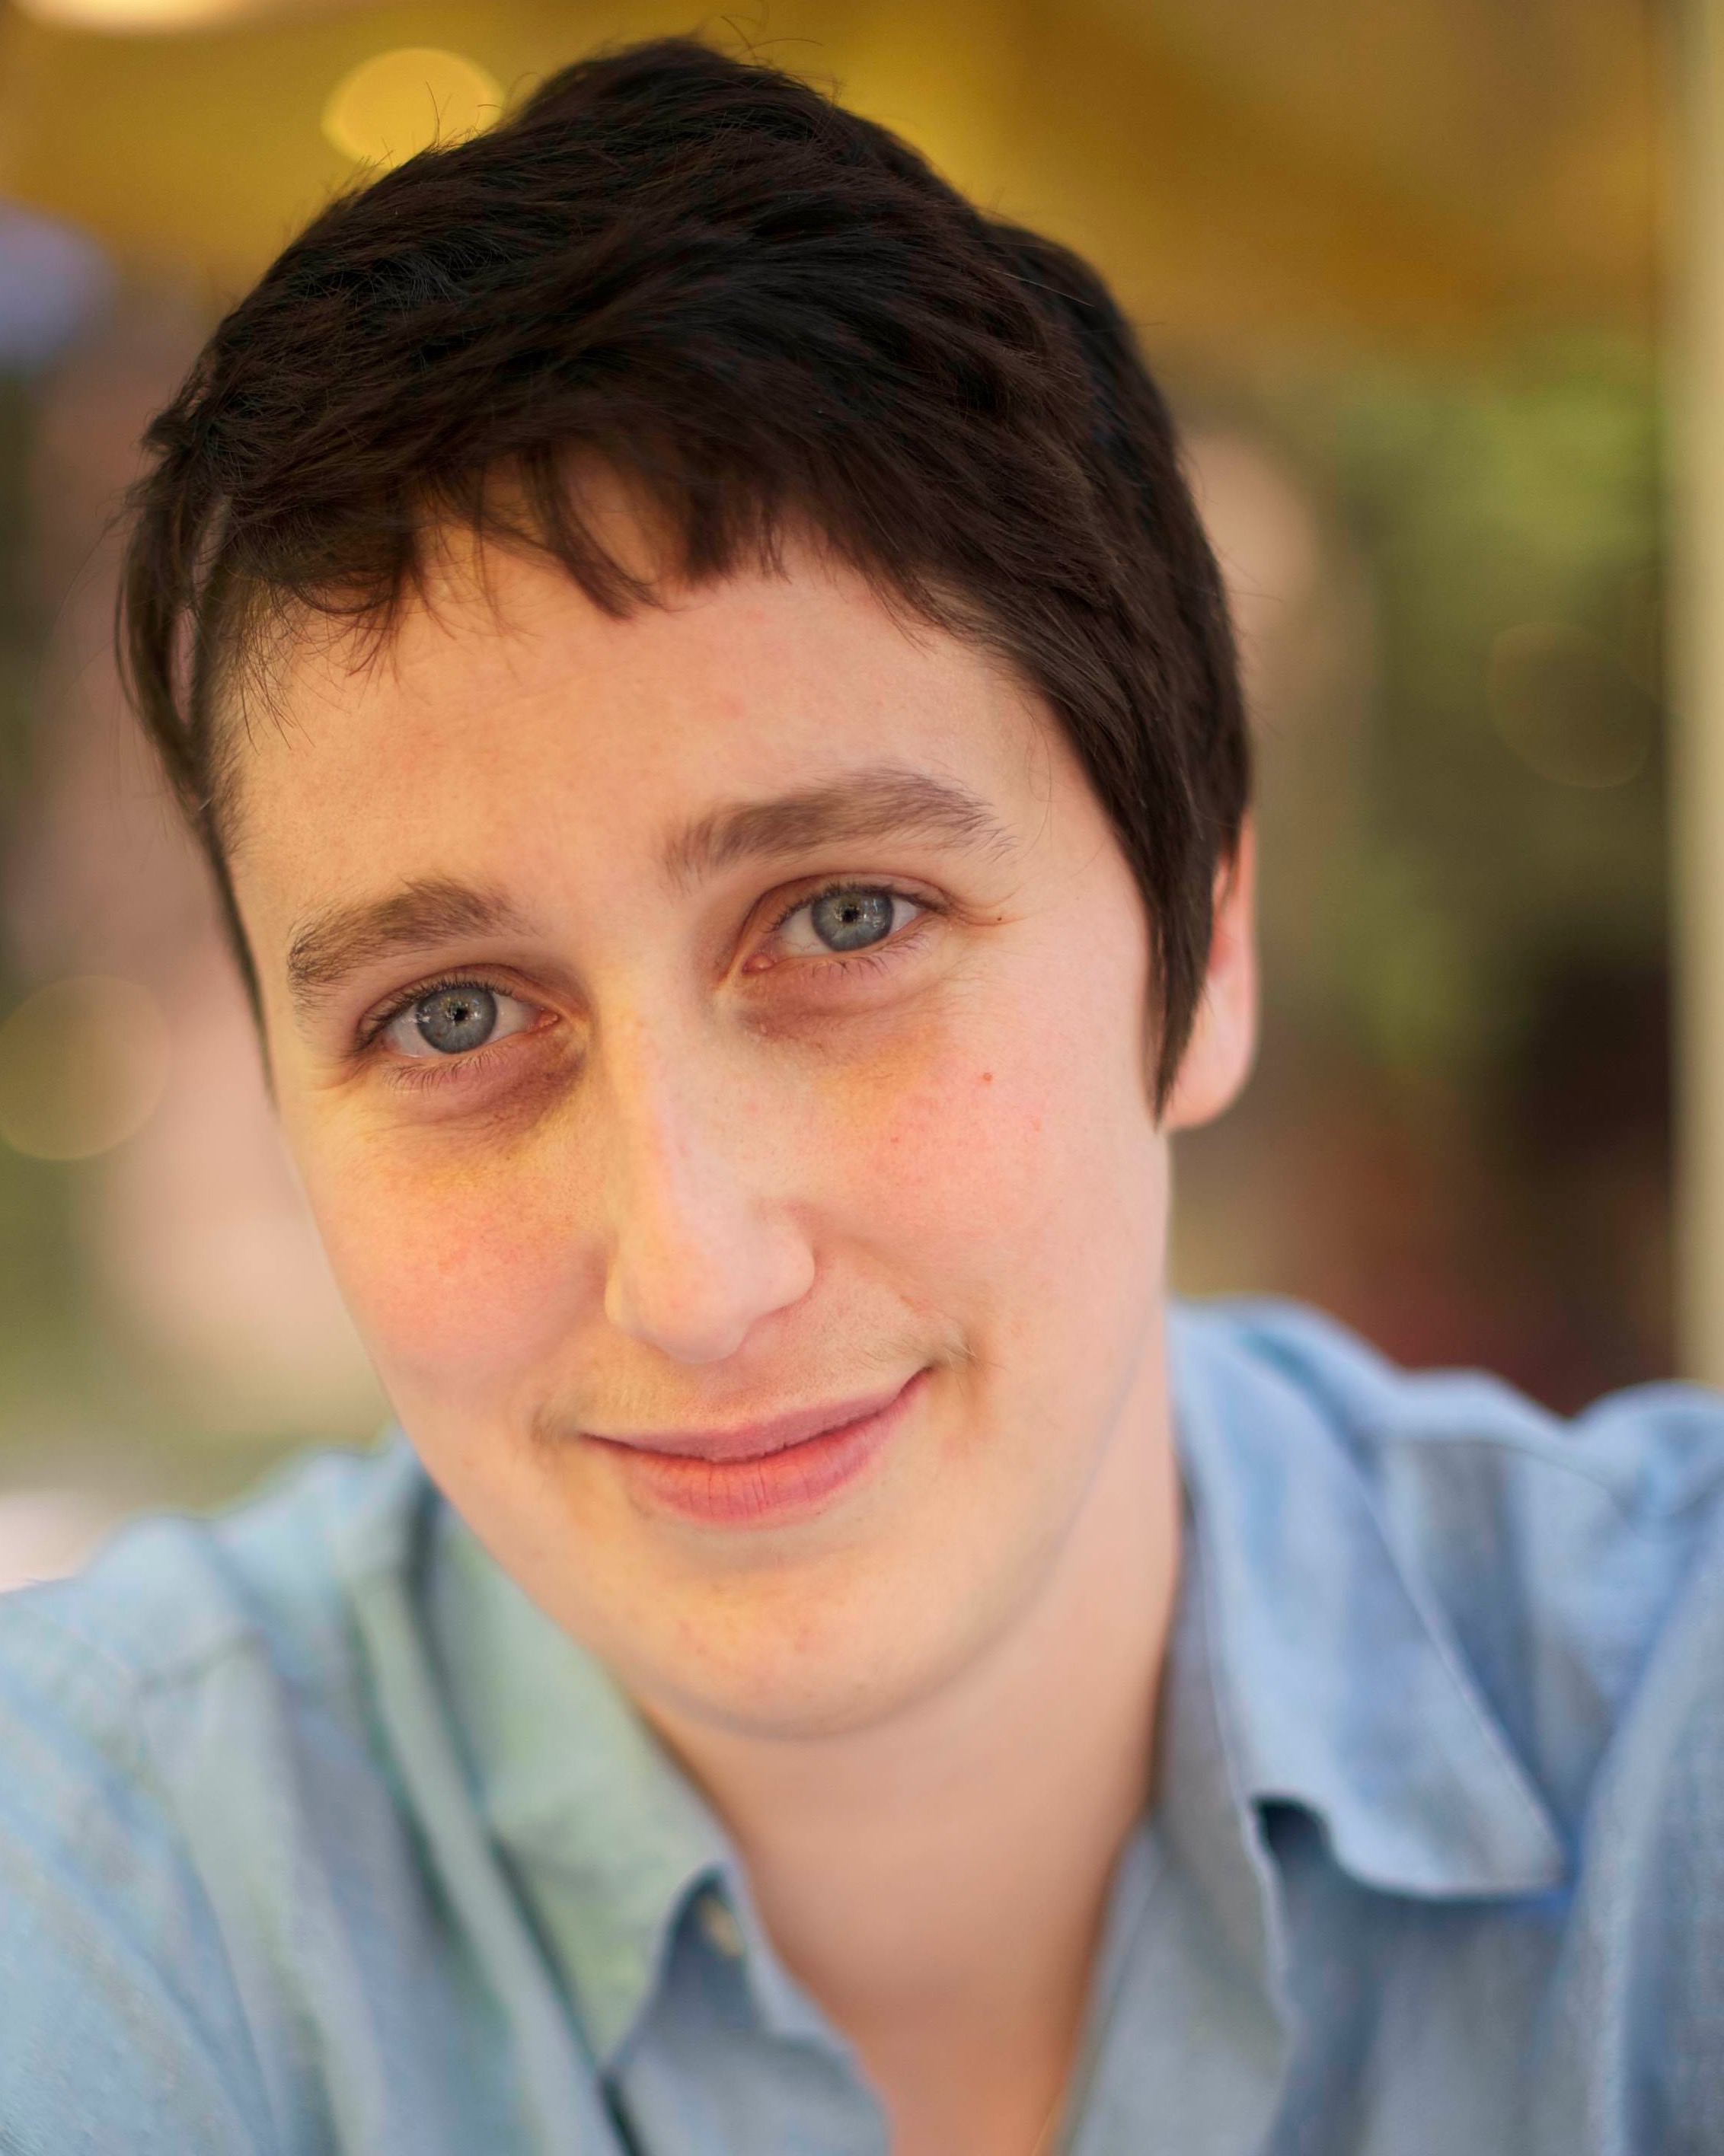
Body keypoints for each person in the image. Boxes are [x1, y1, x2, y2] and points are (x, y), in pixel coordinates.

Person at [1, 36, 1719, 2156]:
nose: (699, 1270)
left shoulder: (1674, 1754)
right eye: (452, 1019)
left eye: (842, 923)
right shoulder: (88, 1890)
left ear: (1211, 944)